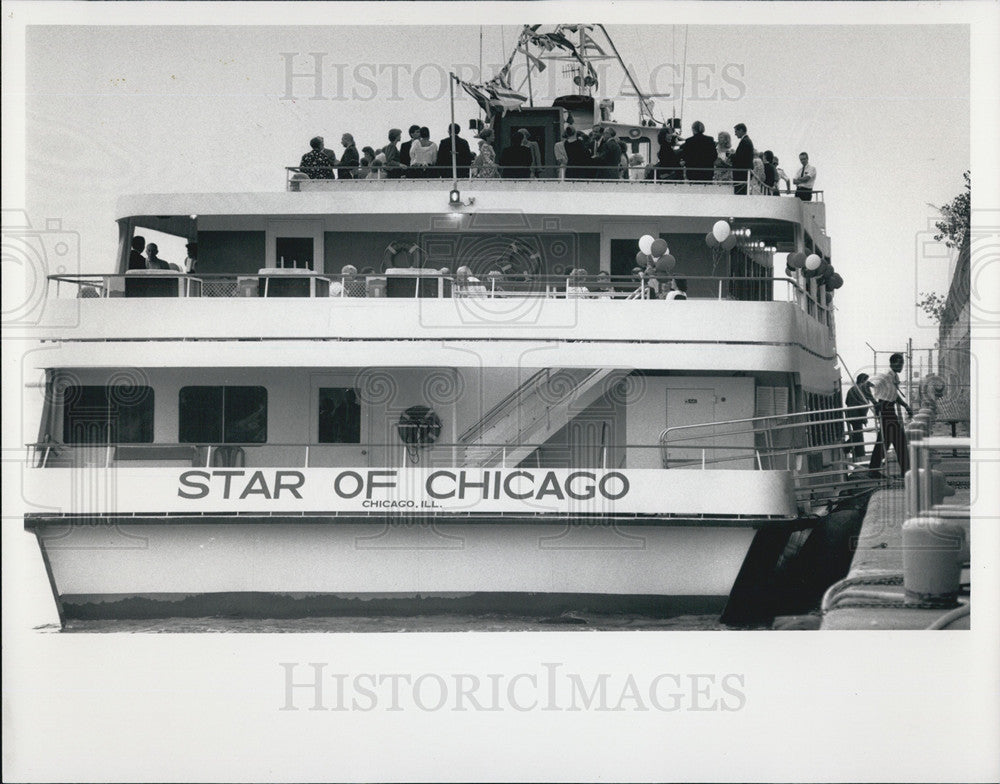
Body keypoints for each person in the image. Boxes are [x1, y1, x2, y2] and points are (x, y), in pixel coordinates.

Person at [868, 353, 913, 478]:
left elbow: (893, 394)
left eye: (902, 362)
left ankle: (874, 469)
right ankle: (906, 472)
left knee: (885, 441)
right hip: (885, 408)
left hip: (889, 408)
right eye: (899, 362)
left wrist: (905, 405)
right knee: (898, 441)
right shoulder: (886, 377)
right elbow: (867, 385)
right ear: (892, 363)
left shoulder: (893, 378)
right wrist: (874, 403)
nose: (901, 365)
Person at [845, 373, 873, 461]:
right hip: (858, 415)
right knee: (858, 434)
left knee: (857, 433)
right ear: (863, 380)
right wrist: (864, 418)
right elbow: (864, 405)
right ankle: (849, 447)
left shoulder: (851, 389)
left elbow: (846, 402)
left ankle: (858, 452)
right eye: (866, 380)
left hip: (850, 415)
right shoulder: (864, 389)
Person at [731, 123, 754, 195]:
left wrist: (731, 156)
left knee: (739, 194)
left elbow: (740, 158)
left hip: (741, 174)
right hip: (744, 174)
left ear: (741, 130)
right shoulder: (747, 141)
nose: (735, 134)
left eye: (736, 131)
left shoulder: (745, 141)